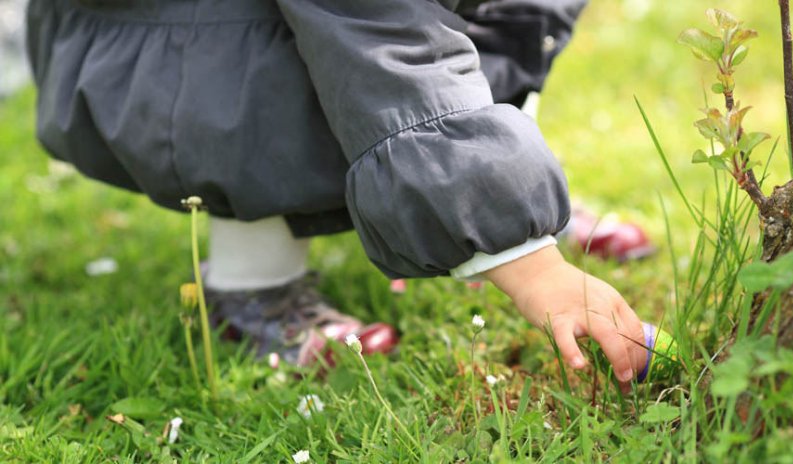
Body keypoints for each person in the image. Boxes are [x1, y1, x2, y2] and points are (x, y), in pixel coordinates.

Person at [25, 0, 651, 385]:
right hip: (176, 46)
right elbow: (386, 43)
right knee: (272, 52)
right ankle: (252, 292)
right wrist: (536, 271)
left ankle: (507, 184)